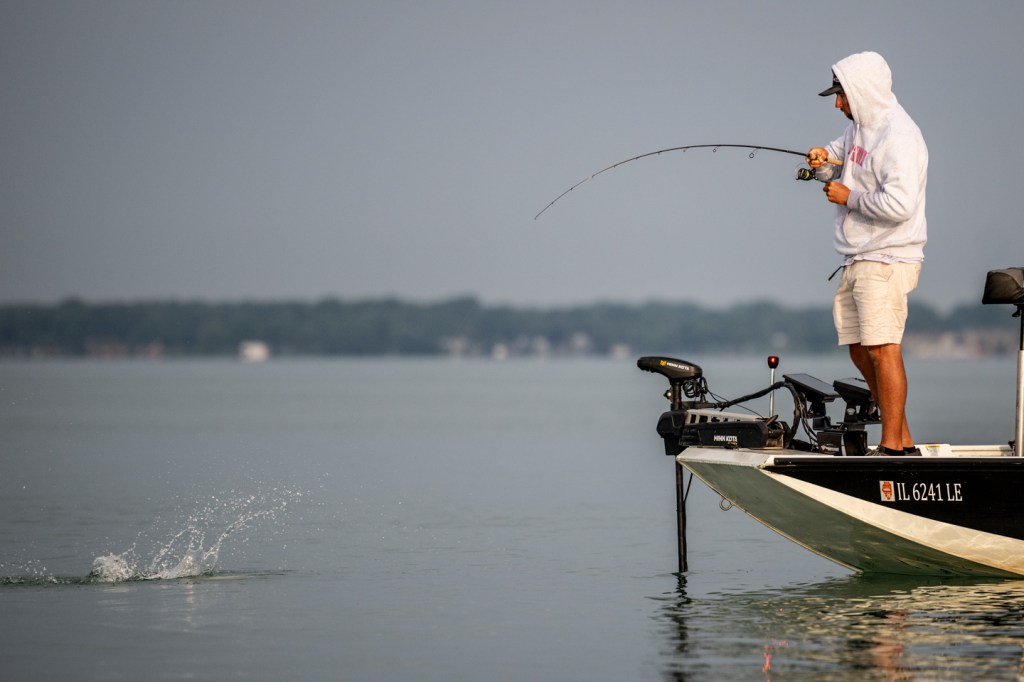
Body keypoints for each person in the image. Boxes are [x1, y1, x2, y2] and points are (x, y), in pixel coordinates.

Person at [806, 51, 928, 457]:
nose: (837, 104)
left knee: (882, 348)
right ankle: (903, 438)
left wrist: (850, 197)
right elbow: (838, 157)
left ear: (862, 91)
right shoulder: (858, 127)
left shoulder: (900, 137)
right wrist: (822, 159)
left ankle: (892, 446)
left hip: (888, 258)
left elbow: (901, 205)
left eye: (841, 96)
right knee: (860, 349)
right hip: (857, 257)